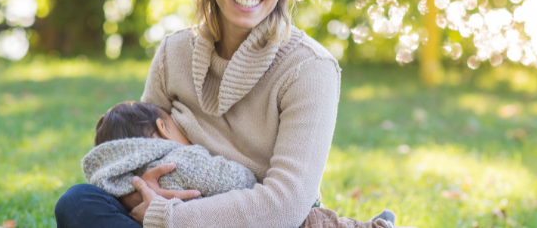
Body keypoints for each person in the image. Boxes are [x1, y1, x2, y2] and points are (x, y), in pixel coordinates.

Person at [55, 0, 391, 226]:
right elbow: (137, 151)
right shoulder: (174, 53)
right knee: (78, 202)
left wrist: (170, 217)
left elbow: (285, 205)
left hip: (256, 222)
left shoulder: (310, 68)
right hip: (175, 209)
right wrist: (139, 195)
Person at [81, 101, 396, 228]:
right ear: (164, 129)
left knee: (78, 201)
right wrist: (252, 178)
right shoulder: (177, 159)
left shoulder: (116, 178)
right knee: (314, 221)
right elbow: (227, 176)